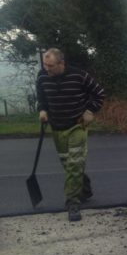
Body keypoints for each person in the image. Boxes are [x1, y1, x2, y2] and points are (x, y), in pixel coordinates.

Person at [36, 48, 105, 222]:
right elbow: (41, 97)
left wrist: (90, 111)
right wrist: (42, 110)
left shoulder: (79, 76)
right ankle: (84, 186)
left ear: (62, 64)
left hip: (77, 126)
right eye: (45, 65)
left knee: (74, 164)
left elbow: (99, 94)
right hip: (57, 128)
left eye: (51, 66)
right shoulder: (42, 77)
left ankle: (72, 202)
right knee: (69, 164)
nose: (47, 69)